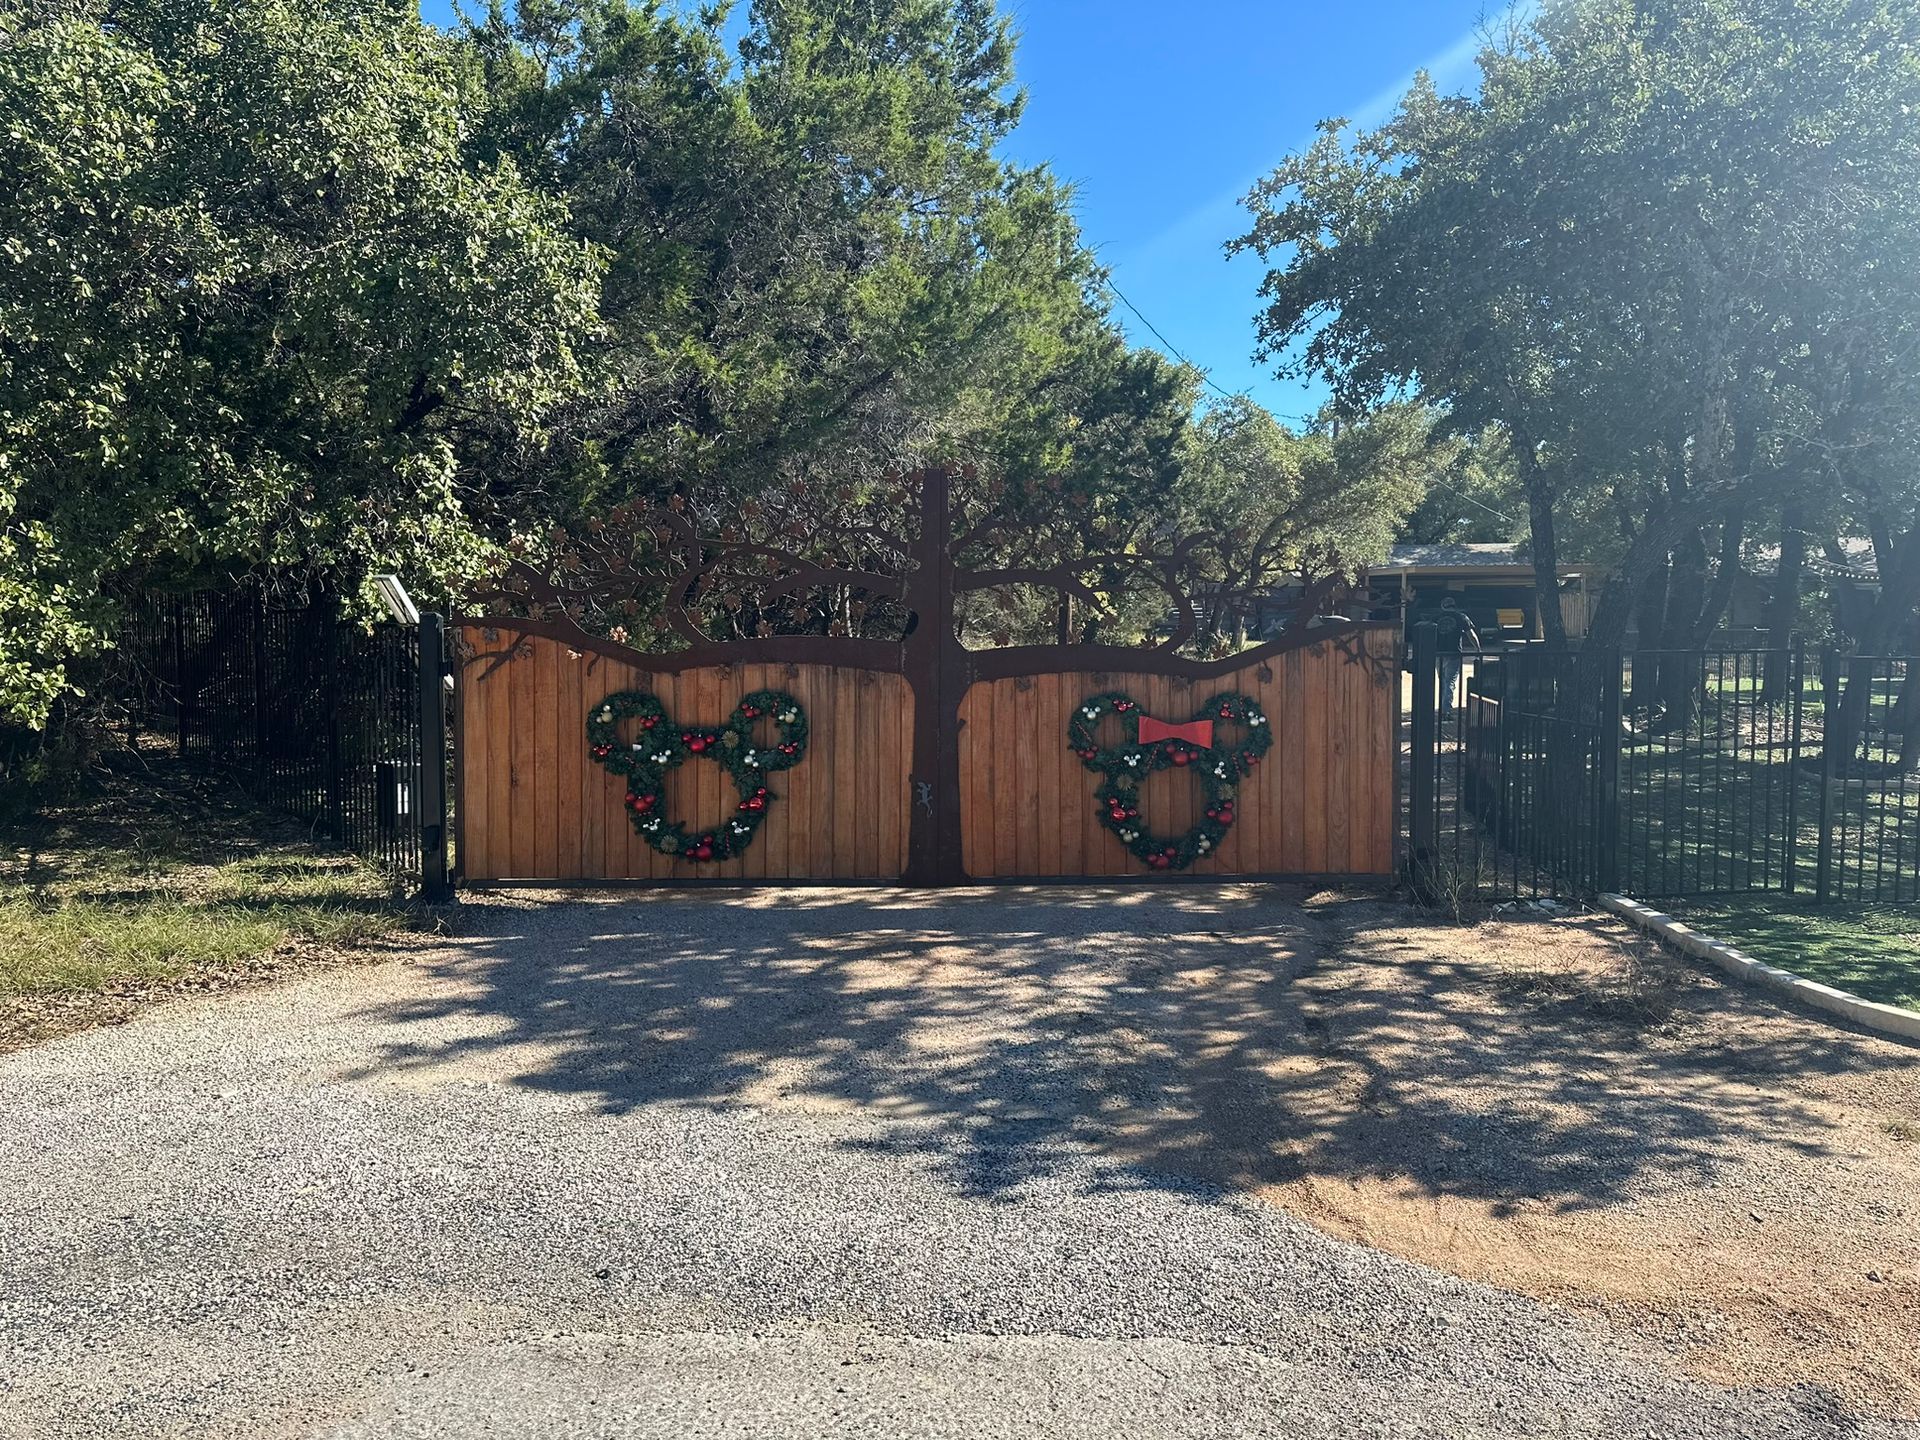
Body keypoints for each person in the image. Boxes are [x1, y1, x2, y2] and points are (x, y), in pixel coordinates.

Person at [1432, 596, 1481, 724]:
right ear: (1454, 605)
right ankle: (1445, 711)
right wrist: (1478, 649)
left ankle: (1443, 708)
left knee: (1443, 682)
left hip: (1439, 654)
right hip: (1454, 653)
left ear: (1443, 606)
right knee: (1450, 682)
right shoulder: (1461, 617)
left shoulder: (1436, 618)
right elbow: (1471, 634)